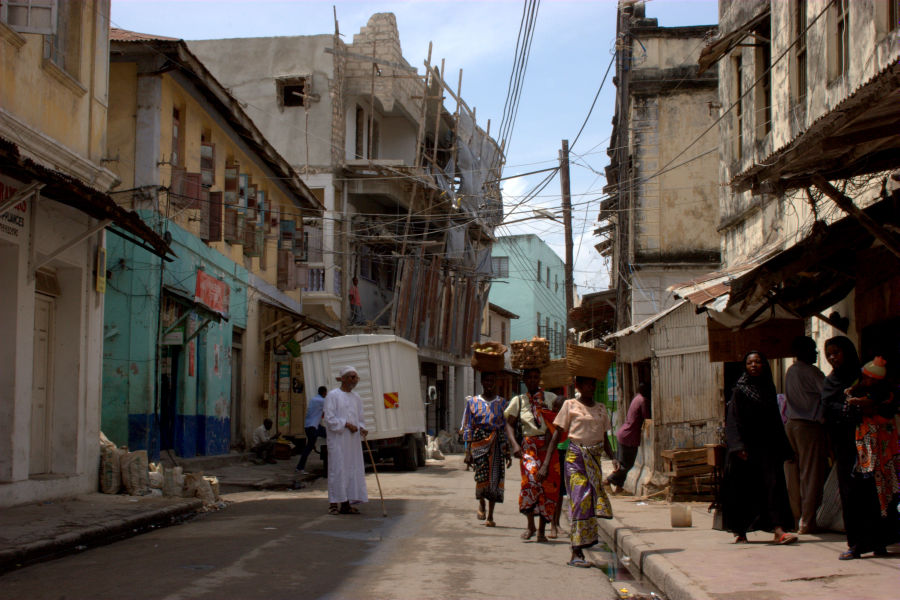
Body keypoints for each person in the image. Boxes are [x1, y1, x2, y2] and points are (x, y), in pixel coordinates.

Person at [823, 342, 899, 560]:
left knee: (877, 490)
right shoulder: (830, 382)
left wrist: (871, 407)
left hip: (874, 444)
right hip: (847, 446)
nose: (832, 358)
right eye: (829, 354)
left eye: (836, 353)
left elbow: (888, 400)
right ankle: (856, 544)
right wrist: (850, 409)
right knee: (852, 493)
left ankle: (881, 541)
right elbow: (828, 409)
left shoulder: (866, 376)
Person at [718, 351, 797, 545]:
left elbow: (775, 420)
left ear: (764, 365)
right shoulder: (739, 390)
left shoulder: (768, 388)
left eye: (758, 362)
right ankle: (741, 531)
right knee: (744, 490)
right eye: (750, 363)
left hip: (767, 448)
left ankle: (778, 530)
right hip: (745, 450)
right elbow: (732, 420)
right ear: (745, 366)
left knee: (773, 487)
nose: (754, 365)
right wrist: (738, 446)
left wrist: (785, 448)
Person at [538, 375, 615, 568]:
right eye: (587, 383)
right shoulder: (570, 405)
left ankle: (584, 543)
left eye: (593, 383)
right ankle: (576, 551)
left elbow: (605, 438)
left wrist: (614, 458)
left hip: (594, 460)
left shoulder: (601, 408)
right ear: (578, 385)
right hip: (575, 459)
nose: (591, 387)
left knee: (590, 503)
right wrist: (546, 463)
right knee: (580, 499)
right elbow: (557, 435)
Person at [504, 367, 559, 542]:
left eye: (536, 377)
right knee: (530, 483)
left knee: (548, 487)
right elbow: (509, 424)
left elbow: (557, 423)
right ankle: (530, 526)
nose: (533, 380)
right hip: (528, 447)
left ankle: (542, 530)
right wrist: (514, 445)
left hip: (548, 447)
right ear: (524, 379)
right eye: (529, 377)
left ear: (540, 378)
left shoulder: (550, 398)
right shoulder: (518, 401)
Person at [782, 336, 826, 534]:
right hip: (808, 426)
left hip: (791, 424)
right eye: (813, 349)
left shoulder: (791, 371)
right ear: (804, 351)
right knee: (811, 474)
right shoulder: (812, 372)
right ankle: (807, 521)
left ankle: (795, 517)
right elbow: (828, 394)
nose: (816, 353)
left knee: (792, 475)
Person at [461, 371, 511, 527]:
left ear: (495, 382)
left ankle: (490, 515)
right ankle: (481, 502)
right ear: (482, 382)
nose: (489, 384)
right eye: (487, 381)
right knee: (481, 476)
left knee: (495, 477)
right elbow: (468, 426)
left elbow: (506, 428)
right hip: (479, 442)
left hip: (497, 442)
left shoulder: (502, 403)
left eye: (492, 381)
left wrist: (507, 451)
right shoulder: (473, 402)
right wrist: (468, 451)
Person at [324, 366, 368, 515]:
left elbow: (360, 418)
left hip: (352, 441)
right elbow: (329, 419)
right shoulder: (333, 395)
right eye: (352, 377)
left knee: (351, 470)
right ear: (343, 378)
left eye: (356, 377)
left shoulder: (356, 397)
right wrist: (346, 425)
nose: (355, 380)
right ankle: (333, 504)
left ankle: (346, 504)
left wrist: (362, 428)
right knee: (337, 470)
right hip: (338, 440)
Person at [606, 382, 651, 493]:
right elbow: (647, 418)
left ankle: (619, 488)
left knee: (622, 464)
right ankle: (608, 480)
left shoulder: (637, 398)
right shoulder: (643, 401)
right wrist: (647, 431)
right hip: (630, 437)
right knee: (627, 465)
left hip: (623, 433)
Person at [296, 385, 328, 474]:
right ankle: (299, 468)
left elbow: (319, 412)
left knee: (329, 434)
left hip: (310, 426)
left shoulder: (313, 399)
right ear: (324, 393)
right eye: (326, 393)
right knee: (309, 447)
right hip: (313, 427)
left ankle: (299, 467)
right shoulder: (322, 401)